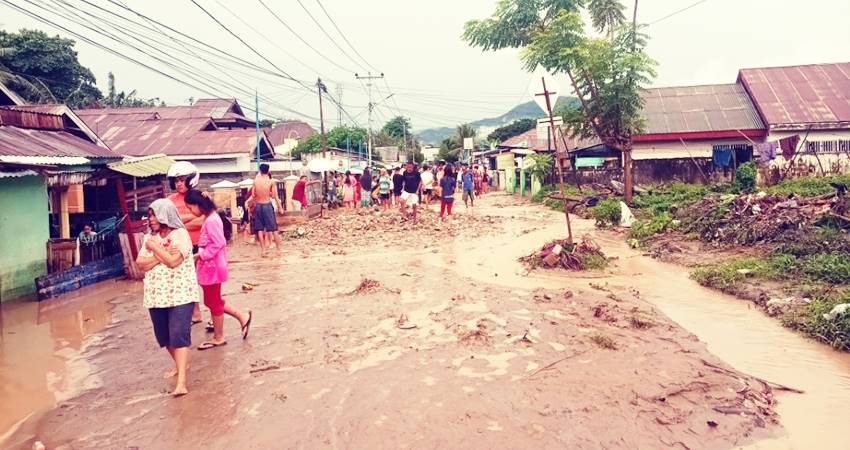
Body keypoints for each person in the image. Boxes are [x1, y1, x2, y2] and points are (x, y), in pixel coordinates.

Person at [135, 199, 199, 397]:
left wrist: (155, 250)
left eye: (154, 214)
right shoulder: (150, 238)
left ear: (165, 215)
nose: (151, 219)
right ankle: (181, 364)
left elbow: (173, 262)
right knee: (164, 337)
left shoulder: (181, 235)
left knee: (179, 335)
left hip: (180, 294)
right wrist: (158, 252)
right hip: (155, 296)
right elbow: (140, 263)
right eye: (150, 215)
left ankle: (181, 383)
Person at [184, 190, 252, 350]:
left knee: (213, 301)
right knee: (212, 300)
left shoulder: (211, 220)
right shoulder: (209, 218)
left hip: (212, 268)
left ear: (199, 204)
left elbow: (218, 243)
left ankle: (219, 336)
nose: (190, 212)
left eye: (190, 207)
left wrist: (200, 256)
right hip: (210, 268)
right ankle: (242, 317)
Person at [167, 161, 205, 326]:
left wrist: (180, 223)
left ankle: (204, 312)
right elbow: (168, 223)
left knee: (201, 280)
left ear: (191, 180)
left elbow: (204, 220)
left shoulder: (199, 197)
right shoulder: (169, 200)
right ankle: (191, 312)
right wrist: (191, 218)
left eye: (182, 180)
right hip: (179, 246)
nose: (179, 184)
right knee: (183, 280)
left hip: (197, 244)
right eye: (176, 181)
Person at [246, 164, 282, 256]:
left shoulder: (256, 181)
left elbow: (253, 195)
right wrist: (268, 193)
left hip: (258, 206)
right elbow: (274, 196)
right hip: (267, 205)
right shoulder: (271, 181)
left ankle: (263, 251)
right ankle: (278, 250)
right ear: (268, 170)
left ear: (260, 170)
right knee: (274, 228)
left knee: (260, 229)